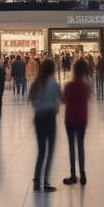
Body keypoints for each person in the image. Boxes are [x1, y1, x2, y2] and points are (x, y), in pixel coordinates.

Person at [28, 58, 61, 192]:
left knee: (41, 151)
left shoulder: (36, 83)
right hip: (50, 117)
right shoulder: (53, 83)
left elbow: (33, 101)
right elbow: (60, 98)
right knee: (50, 150)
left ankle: (37, 180)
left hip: (39, 117)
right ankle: (46, 180)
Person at [62, 57, 91, 185]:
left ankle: (73, 174)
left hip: (70, 118)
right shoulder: (86, 86)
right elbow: (87, 98)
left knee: (71, 147)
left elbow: (63, 100)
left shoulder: (69, 85)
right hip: (82, 117)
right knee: (81, 145)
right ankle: (83, 173)